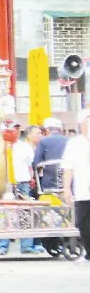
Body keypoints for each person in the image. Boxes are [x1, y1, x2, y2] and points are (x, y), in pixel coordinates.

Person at [1, 124, 44, 256]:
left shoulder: (25, 147)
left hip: (23, 183)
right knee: (5, 215)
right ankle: (3, 245)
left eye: (16, 129)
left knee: (26, 213)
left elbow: (31, 166)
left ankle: (26, 245)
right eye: (11, 129)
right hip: (5, 184)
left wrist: (31, 179)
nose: (13, 131)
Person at [61, 110, 90, 262]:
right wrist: (67, 189)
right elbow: (68, 168)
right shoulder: (74, 143)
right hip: (83, 190)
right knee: (83, 224)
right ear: (81, 123)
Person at [34, 117, 68, 196]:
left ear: (47, 130)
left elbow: (36, 162)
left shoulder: (43, 141)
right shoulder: (69, 141)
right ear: (60, 130)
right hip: (67, 181)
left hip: (49, 182)